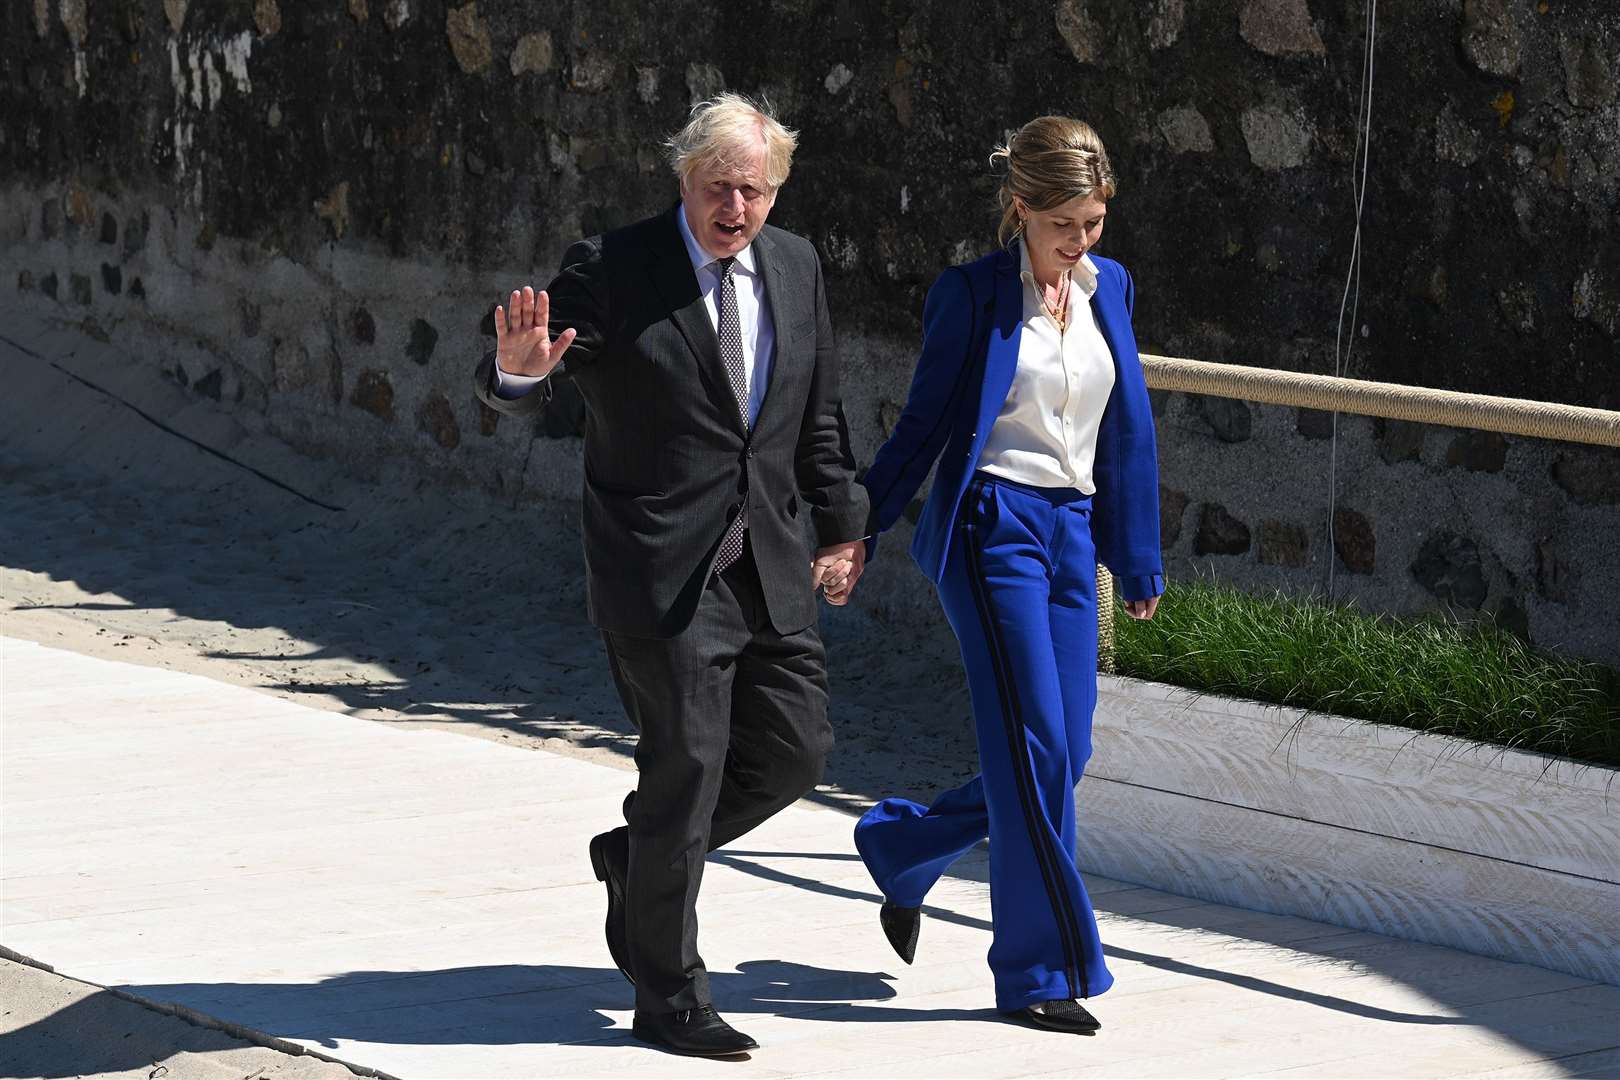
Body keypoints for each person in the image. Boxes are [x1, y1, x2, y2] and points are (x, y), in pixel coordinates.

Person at [472, 93, 868, 1057]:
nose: (736, 207)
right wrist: (519, 375)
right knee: (686, 772)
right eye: (718, 187)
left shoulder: (796, 264)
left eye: (755, 189)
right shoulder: (614, 267)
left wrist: (843, 526)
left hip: (768, 562)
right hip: (662, 567)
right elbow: (539, 376)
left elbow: (815, 414)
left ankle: (636, 858)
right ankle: (671, 995)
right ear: (682, 180)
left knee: (794, 755)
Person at [852, 116, 1163, 1035]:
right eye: (1063, 224)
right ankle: (1041, 967)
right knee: (1036, 749)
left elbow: (1129, 431)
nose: (1079, 242)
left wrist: (1135, 556)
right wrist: (855, 528)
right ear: (1019, 207)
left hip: (1071, 532)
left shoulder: (1114, 290)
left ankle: (903, 847)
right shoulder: (973, 297)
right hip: (994, 528)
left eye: (1093, 223)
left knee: (1065, 755)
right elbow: (923, 425)